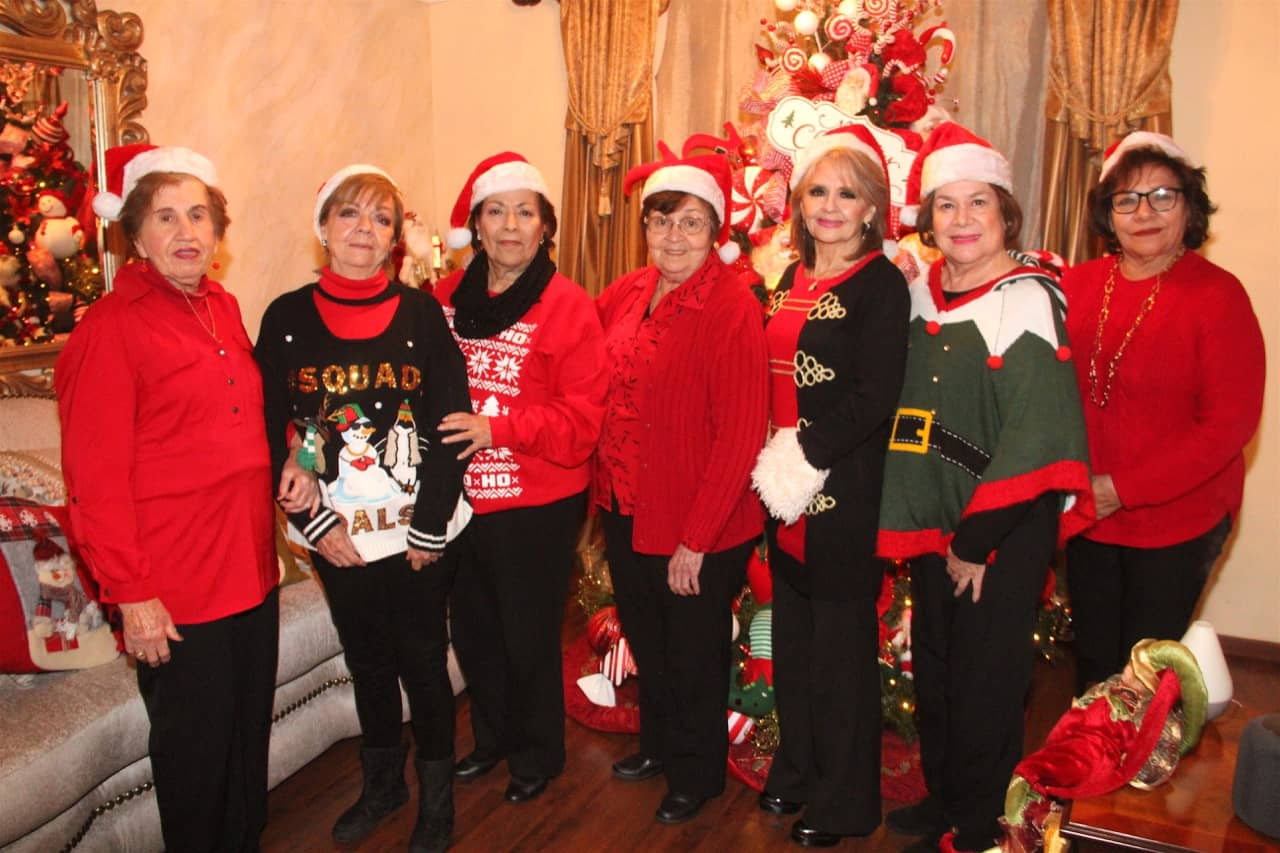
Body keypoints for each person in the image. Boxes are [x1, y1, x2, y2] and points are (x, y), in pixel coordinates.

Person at [876, 123, 1095, 853]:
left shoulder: (1026, 300)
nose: (962, 220)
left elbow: (1038, 435)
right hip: (939, 522)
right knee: (936, 667)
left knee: (986, 682)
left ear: (1006, 216)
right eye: (946, 205)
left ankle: (980, 822)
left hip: (1003, 525)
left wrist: (974, 541)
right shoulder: (923, 294)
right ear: (928, 217)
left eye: (979, 204)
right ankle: (944, 795)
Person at [57, 144, 279, 852]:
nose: (186, 231)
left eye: (199, 214)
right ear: (136, 234)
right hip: (177, 587)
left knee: (246, 741)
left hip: (250, 569)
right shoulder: (109, 330)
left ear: (218, 230)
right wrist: (132, 593)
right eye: (165, 217)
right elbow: (94, 483)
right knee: (195, 758)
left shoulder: (223, 305)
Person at [255, 164, 470, 853]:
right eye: (350, 214)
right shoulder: (285, 318)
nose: (364, 230)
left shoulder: (422, 314)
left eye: (381, 219)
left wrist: (430, 526)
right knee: (368, 662)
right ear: (323, 228)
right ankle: (384, 785)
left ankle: (438, 804)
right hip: (338, 535)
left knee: (424, 664)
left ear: (393, 242)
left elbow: (449, 423)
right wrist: (315, 525)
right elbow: (262, 433)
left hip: (417, 532)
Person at [595, 145, 769, 825]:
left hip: (701, 520)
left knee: (693, 652)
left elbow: (740, 434)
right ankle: (660, 746)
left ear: (715, 230)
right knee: (650, 636)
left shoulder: (732, 308)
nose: (674, 237)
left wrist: (697, 539)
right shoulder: (630, 290)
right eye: (662, 221)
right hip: (624, 502)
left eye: (691, 223)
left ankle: (697, 775)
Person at [750, 126, 909, 847]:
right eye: (818, 190)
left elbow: (876, 395)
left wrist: (802, 453)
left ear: (872, 208)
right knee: (794, 642)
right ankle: (799, 765)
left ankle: (846, 799)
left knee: (841, 657)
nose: (831, 205)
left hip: (840, 491)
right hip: (783, 494)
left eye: (848, 193)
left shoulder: (880, 285)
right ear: (799, 202)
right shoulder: (791, 278)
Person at [1063, 132, 1265, 692]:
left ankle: (1142, 776)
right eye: (1126, 199)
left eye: (1162, 196)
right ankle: (1089, 774)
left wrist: (1120, 488)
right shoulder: (1077, 286)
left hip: (1180, 519)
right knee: (1095, 668)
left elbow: (1228, 427)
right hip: (1089, 514)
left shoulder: (1218, 296)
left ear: (1189, 205)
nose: (1143, 212)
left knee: (1145, 680)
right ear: (1108, 213)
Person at [435, 153, 607, 804]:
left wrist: (497, 429)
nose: (510, 225)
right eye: (496, 211)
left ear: (545, 229)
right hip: (459, 500)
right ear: (477, 225)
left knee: (527, 631)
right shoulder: (442, 300)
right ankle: (492, 738)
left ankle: (538, 751)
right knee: (474, 628)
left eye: (525, 212)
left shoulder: (568, 306)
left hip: (536, 499)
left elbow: (582, 420)